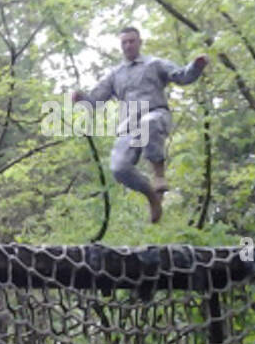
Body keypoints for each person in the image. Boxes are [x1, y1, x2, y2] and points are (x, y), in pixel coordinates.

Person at [73, 26, 207, 223]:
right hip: (129, 126)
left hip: (155, 115)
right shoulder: (115, 74)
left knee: (148, 122)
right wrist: (81, 98)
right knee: (119, 169)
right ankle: (152, 197)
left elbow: (181, 75)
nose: (128, 45)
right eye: (124, 43)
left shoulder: (154, 64)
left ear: (139, 42)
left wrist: (196, 66)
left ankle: (159, 176)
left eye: (132, 41)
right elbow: (95, 101)